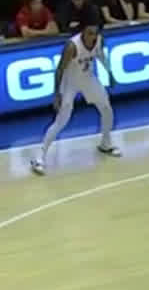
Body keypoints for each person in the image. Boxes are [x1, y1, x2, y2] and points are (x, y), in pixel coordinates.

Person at [30, 22, 121, 175]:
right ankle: (39, 157)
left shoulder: (99, 40)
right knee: (61, 121)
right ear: (83, 32)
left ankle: (105, 144)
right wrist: (57, 94)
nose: (93, 37)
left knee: (106, 108)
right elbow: (59, 70)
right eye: (90, 33)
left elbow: (100, 55)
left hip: (88, 79)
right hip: (70, 82)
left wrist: (110, 73)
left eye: (95, 33)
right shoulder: (72, 46)